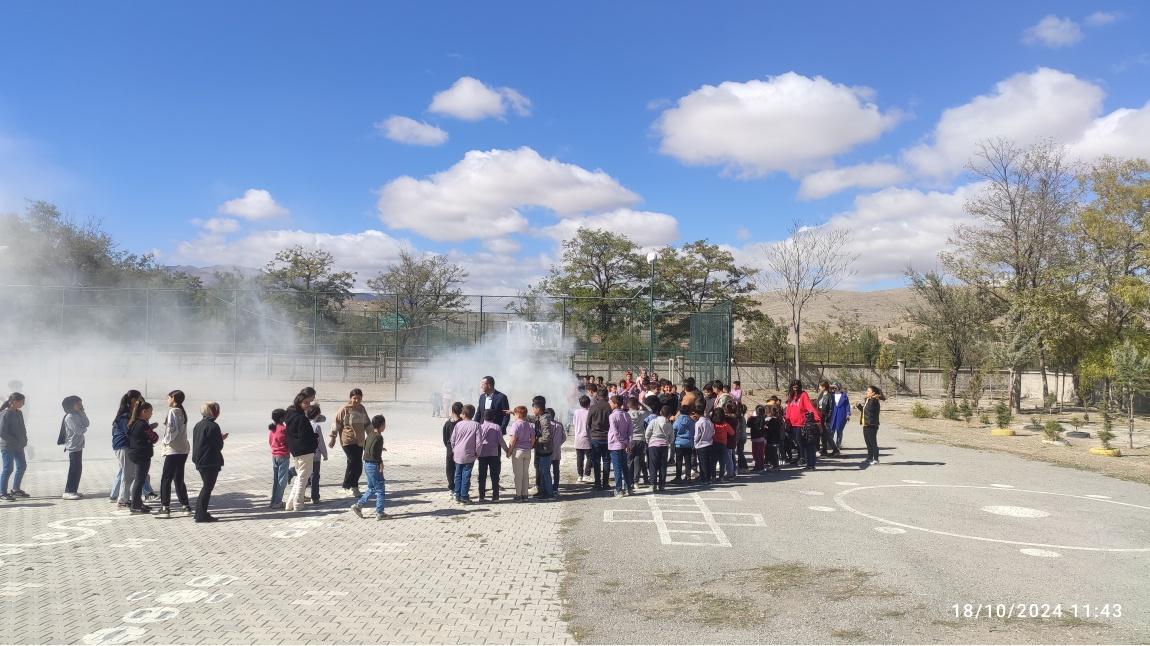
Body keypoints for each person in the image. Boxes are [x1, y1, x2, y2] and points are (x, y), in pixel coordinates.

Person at [110, 390, 155, 506]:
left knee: (129, 473)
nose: (142, 401)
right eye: (140, 399)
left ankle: (122, 497)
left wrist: (147, 427)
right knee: (128, 474)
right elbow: (129, 432)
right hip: (123, 446)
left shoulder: (132, 416)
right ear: (133, 401)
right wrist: (145, 430)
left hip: (128, 447)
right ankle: (123, 500)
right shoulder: (125, 416)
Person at [156, 390, 191, 517]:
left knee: (166, 478)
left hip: (174, 449)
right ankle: (185, 505)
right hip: (183, 448)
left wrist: (165, 441)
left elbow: (172, 429)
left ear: (174, 398)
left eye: (168, 398)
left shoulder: (173, 411)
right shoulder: (182, 411)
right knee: (178, 478)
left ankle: (165, 507)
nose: (167, 400)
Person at [329, 388, 370, 497]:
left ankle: (347, 485)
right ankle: (353, 486)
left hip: (360, 441)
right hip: (347, 440)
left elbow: (367, 424)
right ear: (350, 398)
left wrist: (372, 437)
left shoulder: (362, 409)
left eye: (359, 398)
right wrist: (333, 437)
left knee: (356, 463)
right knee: (354, 462)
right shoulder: (344, 409)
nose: (356, 400)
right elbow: (336, 423)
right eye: (354, 398)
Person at [191, 402, 226, 522]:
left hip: (199, 459)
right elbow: (218, 445)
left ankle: (199, 513)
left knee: (206, 486)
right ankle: (201, 514)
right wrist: (221, 438)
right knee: (207, 487)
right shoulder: (213, 426)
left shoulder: (198, 424)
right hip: (210, 460)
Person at [285, 389, 318, 512]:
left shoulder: (291, 416)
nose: (308, 405)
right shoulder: (300, 418)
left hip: (296, 451)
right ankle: (298, 504)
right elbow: (305, 436)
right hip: (305, 451)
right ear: (299, 403)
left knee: (300, 476)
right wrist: (315, 440)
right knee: (303, 478)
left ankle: (290, 504)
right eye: (305, 403)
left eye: (308, 402)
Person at [351, 415, 388, 519]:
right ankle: (380, 512)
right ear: (381, 425)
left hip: (366, 464)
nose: (385, 426)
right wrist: (380, 463)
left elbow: (366, 447)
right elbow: (375, 453)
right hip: (374, 465)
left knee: (371, 488)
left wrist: (380, 448)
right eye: (384, 424)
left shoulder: (370, 434)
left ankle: (358, 506)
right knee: (380, 489)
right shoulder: (379, 437)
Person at [127, 401, 158, 514]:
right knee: (139, 481)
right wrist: (151, 432)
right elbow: (154, 438)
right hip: (142, 455)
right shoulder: (143, 424)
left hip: (134, 453)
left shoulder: (133, 422)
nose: (151, 414)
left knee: (139, 480)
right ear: (144, 412)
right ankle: (135, 506)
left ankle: (138, 503)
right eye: (150, 411)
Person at [0, 392, 29, 501]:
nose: (23, 404)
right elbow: (2, 432)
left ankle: (16, 490)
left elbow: (22, 427)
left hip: (19, 446)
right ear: (14, 402)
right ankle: (2, 493)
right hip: (8, 446)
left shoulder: (19, 413)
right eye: (22, 402)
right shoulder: (5, 414)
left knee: (22, 466)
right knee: (8, 469)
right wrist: (14, 440)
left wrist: (24, 439)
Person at [784, 380, 820, 466]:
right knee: (795, 441)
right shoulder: (791, 396)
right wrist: (786, 419)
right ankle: (800, 456)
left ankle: (802, 457)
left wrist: (816, 417)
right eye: (793, 387)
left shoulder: (803, 394)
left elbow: (809, 406)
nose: (795, 389)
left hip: (801, 422)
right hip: (792, 423)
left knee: (800, 440)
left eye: (797, 387)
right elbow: (788, 408)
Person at [450, 405, 481, 503]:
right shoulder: (476, 425)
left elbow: (452, 439)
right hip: (469, 454)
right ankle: (464, 496)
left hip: (458, 453)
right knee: (466, 475)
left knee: (457, 474)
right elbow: (479, 442)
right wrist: (478, 453)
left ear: (463, 414)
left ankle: (457, 495)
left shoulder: (458, 424)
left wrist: (454, 449)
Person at [60, 395, 88, 499]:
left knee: (78, 468)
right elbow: (79, 431)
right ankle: (68, 491)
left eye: (81, 403)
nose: (81, 405)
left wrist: (82, 413)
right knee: (74, 468)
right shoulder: (70, 417)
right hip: (73, 446)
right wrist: (83, 429)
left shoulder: (78, 414)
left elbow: (87, 424)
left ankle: (74, 490)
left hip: (79, 445)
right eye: (78, 404)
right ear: (71, 405)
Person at [477, 408, 507, 502]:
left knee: (482, 475)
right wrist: (507, 451)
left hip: (482, 454)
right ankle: (495, 496)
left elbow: (477, 442)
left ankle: (481, 496)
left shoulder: (479, 427)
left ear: (483, 417)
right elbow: (501, 441)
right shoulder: (497, 427)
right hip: (494, 454)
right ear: (493, 417)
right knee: (495, 476)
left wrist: (476, 453)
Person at [586, 384, 612, 491]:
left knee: (596, 461)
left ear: (598, 396)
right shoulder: (610, 407)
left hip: (595, 437)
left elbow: (588, 423)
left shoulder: (593, 407)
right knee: (606, 461)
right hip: (607, 437)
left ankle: (597, 483)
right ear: (606, 396)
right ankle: (605, 483)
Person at [607, 395, 634, 496]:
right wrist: (628, 443)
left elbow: (615, 433)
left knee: (617, 468)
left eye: (611, 402)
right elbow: (630, 431)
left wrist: (624, 442)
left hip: (615, 445)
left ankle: (619, 490)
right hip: (625, 444)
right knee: (625, 467)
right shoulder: (626, 415)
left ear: (615, 404)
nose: (609, 404)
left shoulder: (612, 416)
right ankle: (629, 488)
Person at [507, 406, 534, 502]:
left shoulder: (515, 425)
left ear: (518, 414)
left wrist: (509, 452)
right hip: (527, 451)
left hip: (518, 451)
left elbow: (513, 439)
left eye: (514, 414)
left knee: (518, 474)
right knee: (525, 474)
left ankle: (518, 495)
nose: (514, 415)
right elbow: (533, 438)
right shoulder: (529, 425)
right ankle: (525, 495)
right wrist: (530, 446)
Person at [529, 397, 555, 499]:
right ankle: (543, 492)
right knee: (542, 472)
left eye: (533, 409)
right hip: (541, 450)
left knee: (545, 473)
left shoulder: (544, 420)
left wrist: (535, 441)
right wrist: (516, 413)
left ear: (538, 409)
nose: (533, 411)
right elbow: (531, 418)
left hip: (545, 450)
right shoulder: (540, 417)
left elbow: (546, 437)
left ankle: (549, 494)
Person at [645, 404, 673, 492]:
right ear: (669, 415)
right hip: (664, 445)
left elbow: (648, 432)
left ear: (660, 412)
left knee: (653, 465)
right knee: (663, 466)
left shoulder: (654, 421)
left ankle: (653, 484)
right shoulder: (669, 423)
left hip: (653, 444)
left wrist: (647, 440)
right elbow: (672, 436)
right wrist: (668, 442)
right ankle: (662, 484)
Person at [857, 386, 886, 465]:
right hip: (866, 424)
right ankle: (870, 457)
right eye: (867, 391)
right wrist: (858, 406)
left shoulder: (874, 400)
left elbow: (883, 398)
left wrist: (876, 396)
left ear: (873, 393)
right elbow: (865, 411)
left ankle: (876, 459)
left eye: (869, 391)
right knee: (868, 442)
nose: (867, 392)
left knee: (873, 442)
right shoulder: (868, 400)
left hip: (872, 424)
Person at [267, 408, 290, 509]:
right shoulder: (284, 429)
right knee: (282, 480)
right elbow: (288, 442)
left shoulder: (273, 429)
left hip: (274, 456)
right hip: (283, 456)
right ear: (282, 418)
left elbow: (270, 442)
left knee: (276, 479)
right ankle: (278, 502)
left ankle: (273, 501)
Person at [306, 404, 328, 504]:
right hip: (315, 455)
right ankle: (315, 497)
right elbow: (321, 442)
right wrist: (325, 454)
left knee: (305, 475)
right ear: (318, 414)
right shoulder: (316, 426)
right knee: (315, 476)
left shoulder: (304, 424)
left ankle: (300, 495)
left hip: (305, 454)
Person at [628, 397, 649, 488]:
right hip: (640, 439)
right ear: (637, 405)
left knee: (629, 461)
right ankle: (636, 481)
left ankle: (629, 480)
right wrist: (641, 403)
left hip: (630, 440)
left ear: (629, 405)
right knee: (638, 461)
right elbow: (650, 410)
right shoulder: (641, 413)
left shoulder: (626, 414)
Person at [691, 406, 715, 485]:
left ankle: (704, 479)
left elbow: (697, 435)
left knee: (702, 463)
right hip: (709, 443)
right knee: (708, 462)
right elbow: (713, 431)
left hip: (701, 445)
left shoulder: (698, 423)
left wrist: (695, 443)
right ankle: (708, 477)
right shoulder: (708, 421)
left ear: (697, 414)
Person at [672, 405, 695, 483]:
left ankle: (678, 477)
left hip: (679, 443)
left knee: (679, 461)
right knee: (688, 460)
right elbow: (693, 431)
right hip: (689, 443)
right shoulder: (691, 421)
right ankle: (688, 476)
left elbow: (674, 430)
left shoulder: (677, 421)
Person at [571, 395, 592, 483]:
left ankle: (580, 475)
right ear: (589, 403)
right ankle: (586, 474)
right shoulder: (589, 412)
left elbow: (574, 423)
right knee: (590, 457)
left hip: (578, 438)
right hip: (587, 437)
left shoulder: (576, 412)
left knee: (580, 458)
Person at [442, 402, 462, 492]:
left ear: (452, 411)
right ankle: (459, 488)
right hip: (461, 448)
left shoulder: (448, 423)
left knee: (450, 468)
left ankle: (451, 487)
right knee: (460, 468)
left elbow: (445, 438)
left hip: (450, 448)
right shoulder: (463, 423)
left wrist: (448, 446)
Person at [816, 380, 837, 456]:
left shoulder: (830, 395)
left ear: (824, 387)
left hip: (826, 416)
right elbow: (818, 404)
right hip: (820, 415)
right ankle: (824, 450)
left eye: (820, 386)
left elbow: (831, 408)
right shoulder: (821, 394)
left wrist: (827, 418)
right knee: (822, 433)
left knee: (826, 434)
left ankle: (835, 449)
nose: (819, 387)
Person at [713, 409, 735, 481]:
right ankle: (721, 476)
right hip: (723, 444)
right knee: (722, 462)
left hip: (714, 443)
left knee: (714, 461)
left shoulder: (713, 425)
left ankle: (713, 476)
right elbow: (732, 433)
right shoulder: (725, 425)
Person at [829, 383, 851, 453]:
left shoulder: (844, 396)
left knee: (839, 430)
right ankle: (830, 444)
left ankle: (838, 445)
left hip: (841, 414)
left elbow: (847, 405)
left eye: (835, 387)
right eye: (833, 388)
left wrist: (848, 414)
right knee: (831, 430)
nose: (834, 389)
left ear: (839, 387)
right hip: (832, 414)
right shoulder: (831, 395)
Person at [549, 408, 565, 498]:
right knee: (556, 471)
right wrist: (558, 444)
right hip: (557, 451)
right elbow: (564, 437)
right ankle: (555, 488)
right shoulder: (560, 425)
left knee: (547, 470)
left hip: (548, 451)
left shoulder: (547, 424)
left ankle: (548, 488)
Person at [765, 402, 784, 471]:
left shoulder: (772, 420)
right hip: (777, 438)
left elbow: (771, 430)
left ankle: (775, 466)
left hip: (772, 439)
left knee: (773, 453)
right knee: (776, 453)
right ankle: (775, 465)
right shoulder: (779, 419)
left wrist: (766, 427)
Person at [748, 405, 767, 472]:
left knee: (756, 453)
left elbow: (748, 424)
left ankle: (759, 466)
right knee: (760, 453)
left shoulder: (754, 418)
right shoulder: (764, 418)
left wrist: (750, 417)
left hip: (755, 438)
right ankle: (759, 466)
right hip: (761, 438)